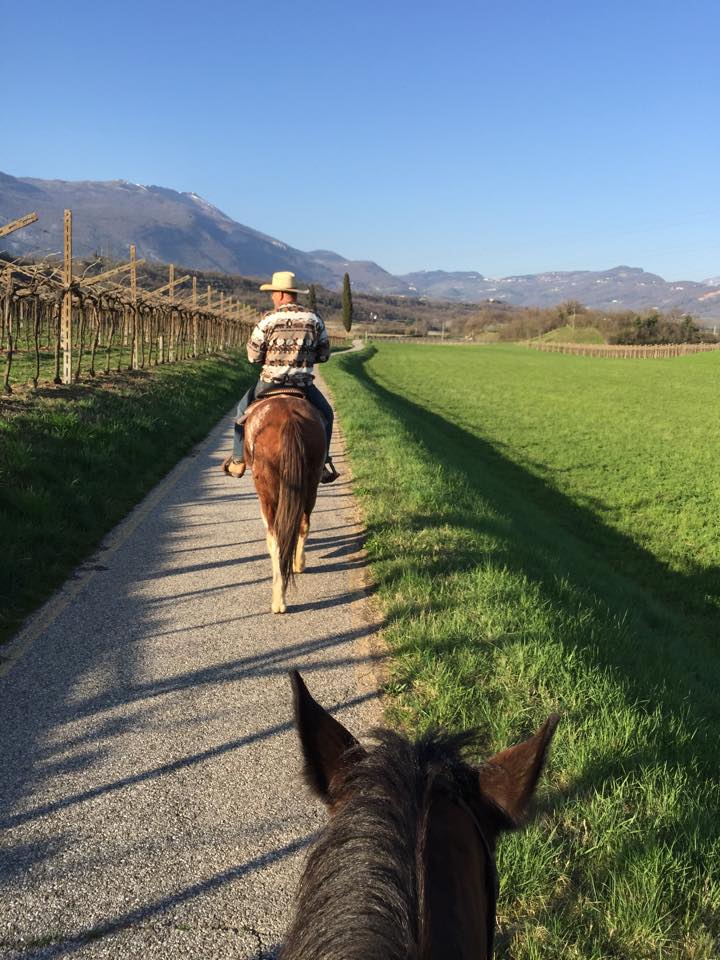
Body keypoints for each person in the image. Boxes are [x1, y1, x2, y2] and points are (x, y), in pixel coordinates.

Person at [222, 271, 339, 483]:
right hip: (302, 385)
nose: (273, 298)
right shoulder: (314, 318)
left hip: (269, 384)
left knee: (241, 411)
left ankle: (238, 460)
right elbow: (324, 354)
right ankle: (322, 463)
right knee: (327, 415)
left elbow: (253, 356)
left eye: (274, 293)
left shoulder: (268, 319)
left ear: (282, 294)